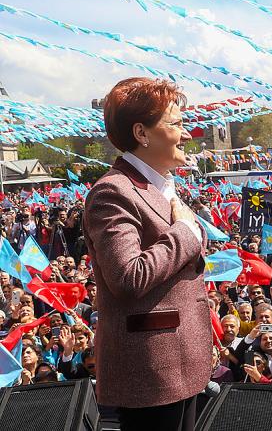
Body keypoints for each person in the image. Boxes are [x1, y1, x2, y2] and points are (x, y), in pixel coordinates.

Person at [84, 78, 210, 431]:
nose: (186, 134)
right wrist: (184, 232)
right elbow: (128, 276)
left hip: (181, 361)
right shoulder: (113, 192)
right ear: (142, 133)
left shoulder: (161, 186)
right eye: (176, 124)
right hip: (152, 371)